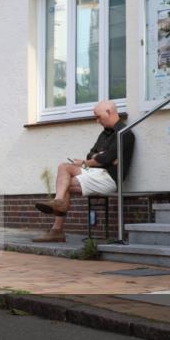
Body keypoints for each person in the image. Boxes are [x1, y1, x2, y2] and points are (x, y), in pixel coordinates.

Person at [32, 100, 134, 243]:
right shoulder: (104, 134)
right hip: (95, 172)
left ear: (109, 112)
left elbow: (104, 159)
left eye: (98, 117)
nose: (97, 121)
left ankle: (57, 230)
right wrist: (99, 158)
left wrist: (95, 160)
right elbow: (91, 154)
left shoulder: (125, 133)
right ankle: (58, 202)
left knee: (65, 184)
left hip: (109, 178)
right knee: (64, 167)